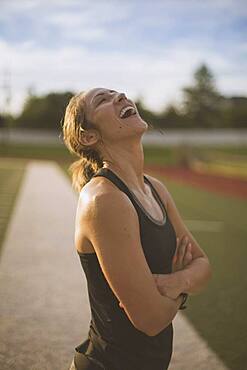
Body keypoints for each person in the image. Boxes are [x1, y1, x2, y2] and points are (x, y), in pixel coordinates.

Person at [62, 88, 212, 370]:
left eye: (116, 92)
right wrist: (183, 286)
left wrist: (173, 283)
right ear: (88, 136)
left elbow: (204, 266)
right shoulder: (103, 199)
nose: (120, 95)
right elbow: (151, 320)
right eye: (103, 100)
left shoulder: (155, 188)